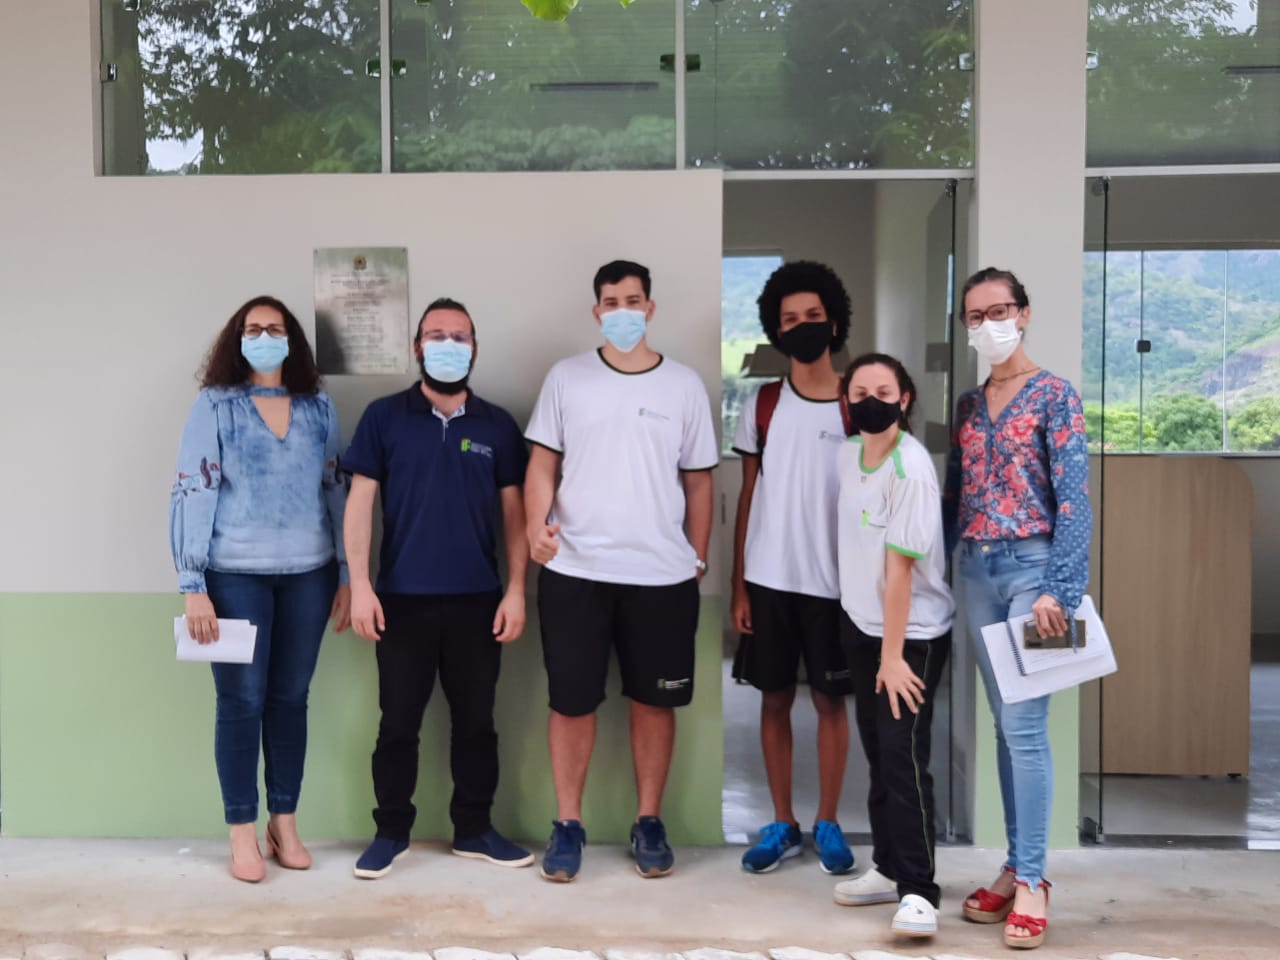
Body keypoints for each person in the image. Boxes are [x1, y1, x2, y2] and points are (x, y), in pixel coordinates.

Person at [524, 259, 717, 882]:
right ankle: (568, 824)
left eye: (633, 301)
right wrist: (534, 527)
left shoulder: (683, 385)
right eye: (611, 302)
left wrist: (697, 556)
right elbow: (541, 465)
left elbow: (700, 481)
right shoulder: (567, 378)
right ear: (596, 312)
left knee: (654, 703)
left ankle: (649, 821)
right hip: (574, 569)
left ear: (650, 308)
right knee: (571, 702)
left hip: (662, 576)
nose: (623, 311)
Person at [343, 297, 533, 879]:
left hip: (479, 601)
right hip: (401, 601)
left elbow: (517, 517)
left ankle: (474, 829)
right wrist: (360, 586)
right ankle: (390, 832)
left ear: (474, 348)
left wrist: (516, 590)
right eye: (436, 335)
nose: (448, 345)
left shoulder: (497, 425)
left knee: (477, 723)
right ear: (417, 347)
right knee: (397, 724)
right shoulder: (383, 417)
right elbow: (360, 504)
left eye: (460, 336)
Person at [170, 295, 351, 883]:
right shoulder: (215, 406)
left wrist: (346, 572)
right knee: (241, 701)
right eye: (254, 328)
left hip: (309, 574)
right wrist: (193, 583)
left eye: (275, 328)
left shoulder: (318, 406)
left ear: (291, 339)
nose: (265, 337)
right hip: (233, 577)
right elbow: (192, 490)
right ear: (237, 338)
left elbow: (336, 490)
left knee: (291, 698)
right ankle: (241, 831)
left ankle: (285, 823)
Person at [945, 268, 1092, 951]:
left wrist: (1061, 588)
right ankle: (1013, 866)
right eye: (975, 316)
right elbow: (956, 496)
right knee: (1003, 728)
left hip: (1035, 572)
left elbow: (1075, 499)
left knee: (1027, 728)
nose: (988, 325)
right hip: (976, 570)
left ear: (1024, 313)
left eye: (999, 310)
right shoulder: (968, 406)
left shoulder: (1056, 396)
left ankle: (1033, 880)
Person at [729, 261, 856, 876]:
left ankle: (828, 821)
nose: (802, 326)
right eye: (789, 319)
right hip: (770, 579)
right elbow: (748, 496)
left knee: (832, 703)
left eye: (813, 316)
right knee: (773, 699)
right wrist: (738, 586)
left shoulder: (858, 402)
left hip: (837, 585)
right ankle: (781, 822)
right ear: (775, 330)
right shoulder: (762, 404)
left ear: (834, 322)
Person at [829, 353, 954, 939]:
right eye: (860, 392)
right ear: (846, 401)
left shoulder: (911, 468)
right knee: (879, 752)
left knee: (903, 759)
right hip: (862, 626)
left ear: (904, 399)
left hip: (910, 637)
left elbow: (900, 571)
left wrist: (893, 655)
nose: (871, 401)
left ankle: (919, 891)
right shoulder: (848, 456)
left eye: (884, 391)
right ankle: (886, 866)